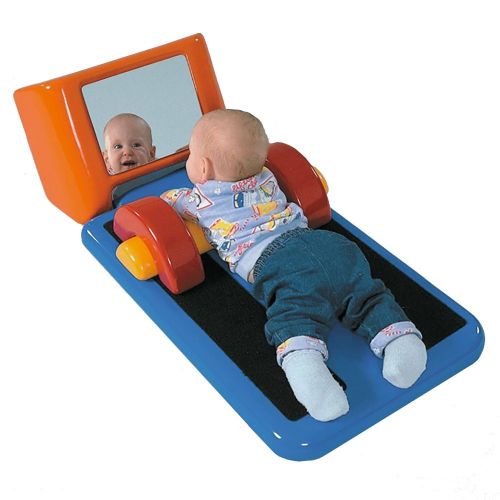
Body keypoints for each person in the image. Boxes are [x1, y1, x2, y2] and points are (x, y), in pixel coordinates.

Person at [161, 109, 427, 422]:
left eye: (192, 154)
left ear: (203, 167)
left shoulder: (200, 199)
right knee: (365, 295)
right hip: (326, 244)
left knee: (295, 313)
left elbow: (170, 202)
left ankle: (307, 369)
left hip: (278, 261)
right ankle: (400, 341)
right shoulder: (266, 177)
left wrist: (166, 200)